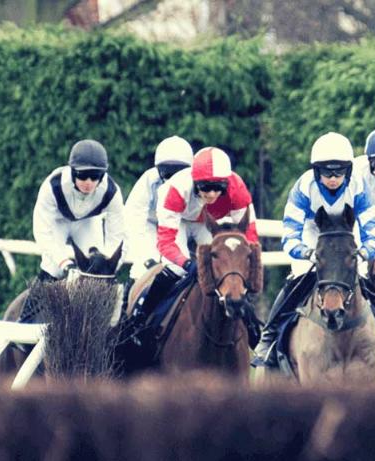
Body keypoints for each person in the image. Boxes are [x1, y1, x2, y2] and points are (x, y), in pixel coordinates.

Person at [254, 132, 375, 369]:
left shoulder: (359, 186)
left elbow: (373, 231)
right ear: (316, 171)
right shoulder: (303, 187)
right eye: (327, 173)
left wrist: (364, 252)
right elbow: (290, 234)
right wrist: (306, 253)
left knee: (362, 278)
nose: (333, 178)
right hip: (313, 233)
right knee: (298, 278)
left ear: (348, 170)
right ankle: (269, 337)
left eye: (339, 172)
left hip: (347, 233)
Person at [124, 147, 260, 335]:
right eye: (205, 187)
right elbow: (166, 243)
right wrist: (187, 263)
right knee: (176, 269)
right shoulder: (175, 190)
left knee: (225, 262)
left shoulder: (237, 188)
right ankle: (141, 319)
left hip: (205, 222)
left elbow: (250, 236)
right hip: (178, 221)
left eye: (218, 188)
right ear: (195, 181)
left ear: (227, 184)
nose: (211, 194)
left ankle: (249, 323)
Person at [32, 139, 126, 283]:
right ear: (72, 172)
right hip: (57, 222)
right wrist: (64, 262)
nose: (88, 182)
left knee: (95, 270)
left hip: (88, 222)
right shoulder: (52, 187)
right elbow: (42, 231)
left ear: (102, 176)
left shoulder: (112, 192)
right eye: (82, 175)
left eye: (94, 176)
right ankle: (36, 296)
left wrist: (109, 263)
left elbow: (117, 235)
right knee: (53, 269)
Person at [124, 136, 194, 281]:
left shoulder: (194, 183)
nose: (174, 180)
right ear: (158, 170)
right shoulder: (149, 179)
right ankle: (128, 295)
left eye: (179, 173)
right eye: (168, 173)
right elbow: (133, 216)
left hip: (175, 224)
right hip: (149, 223)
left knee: (178, 267)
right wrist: (144, 256)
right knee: (143, 268)